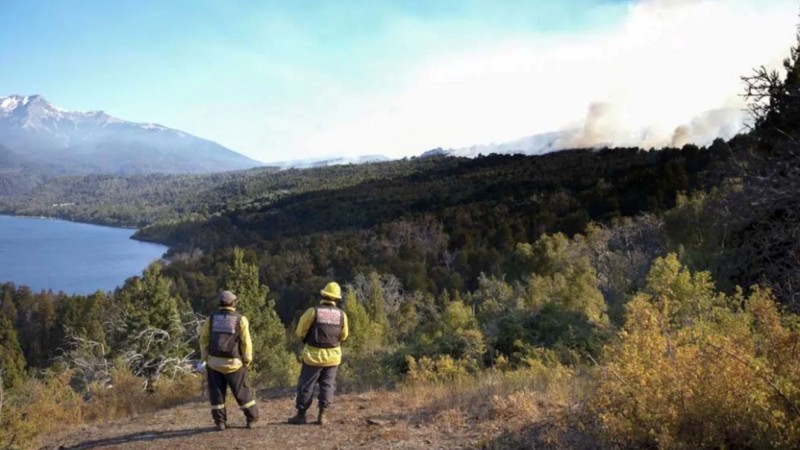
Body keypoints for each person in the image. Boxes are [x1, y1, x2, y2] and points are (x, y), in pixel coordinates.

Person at [288, 281, 349, 426]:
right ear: (336, 298)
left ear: (323, 295)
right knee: (328, 385)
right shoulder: (342, 315)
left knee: (306, 385)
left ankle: (301, 415)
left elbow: (299, 331)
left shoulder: (313, 312)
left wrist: (306, 339)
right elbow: (344, 335)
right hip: (333, 357)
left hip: (313, 356)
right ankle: (323, 415)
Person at [199, 290, 260, 430]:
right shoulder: (240, 319)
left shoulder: (211, 318)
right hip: (235, 364)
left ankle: (220, 422)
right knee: (242, 392)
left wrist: (205, 358)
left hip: (214, 363)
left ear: (220, 303)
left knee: (217, 394)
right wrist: (247, 360)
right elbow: (246, 342)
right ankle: (252, 419)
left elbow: (203, 339)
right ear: (233, 303)